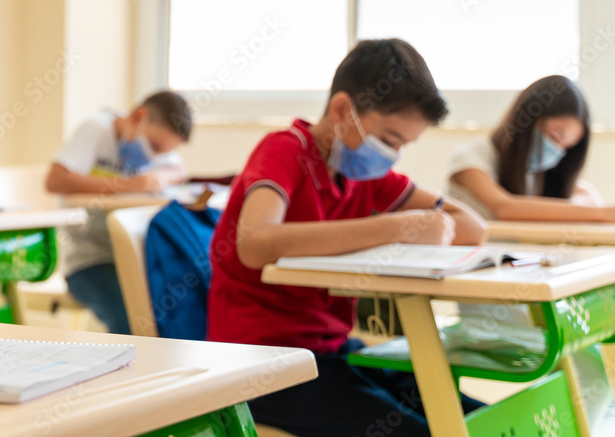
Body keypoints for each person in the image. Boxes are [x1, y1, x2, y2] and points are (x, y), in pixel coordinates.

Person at [207, 39, 487, 436]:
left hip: (330, 349)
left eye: (403, 145)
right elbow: (255, 243)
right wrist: (397, 227)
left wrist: (428, 222)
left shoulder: (365, 177)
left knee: (469, 417)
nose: (393, 154)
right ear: (342, 110)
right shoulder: (284, 151)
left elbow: (473, 227)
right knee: (418, 431)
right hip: (262, 363)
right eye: (389, 139)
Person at [45, 91, 192, 334]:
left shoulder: (155, 152)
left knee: (182, 304)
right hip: (89, 259)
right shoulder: (95, 130)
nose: (154, 156)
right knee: (132, 319)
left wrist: (159, 178)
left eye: (162, 153)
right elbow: (55, 180)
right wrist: (126, 185)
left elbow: (179, 170)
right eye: (155, 146)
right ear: (138, 116)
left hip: (135, 256)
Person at [447, 75, 609, 221]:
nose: (558, 151)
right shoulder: (470, 157)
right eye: (555, 137)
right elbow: (504, 208)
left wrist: (588, 205)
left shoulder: (534, 173)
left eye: (567, 146)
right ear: (528, 118)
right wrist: (601, 213)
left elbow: (585, 193)